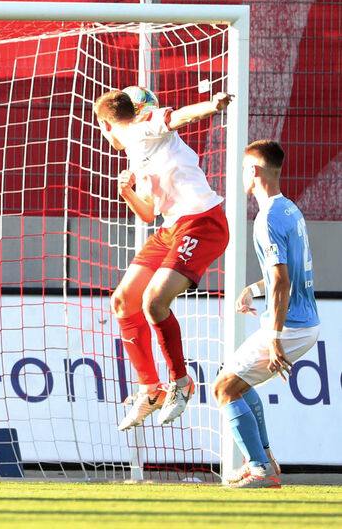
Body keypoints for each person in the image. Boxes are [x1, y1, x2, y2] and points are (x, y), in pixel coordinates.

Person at [93, 89, 234, 430]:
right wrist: (126, 192)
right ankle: (149, 389)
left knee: (154, 302)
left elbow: (178, 116)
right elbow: (147, 213)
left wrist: (212, 106)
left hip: (203, 222)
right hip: (173, 227)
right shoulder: (137, 153)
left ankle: (181, 383)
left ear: (105, 123)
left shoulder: (143, 128)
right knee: (124, 301)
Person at [212, 140, 319, 488]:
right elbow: (282, 276)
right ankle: (265, 461)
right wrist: (252, 289)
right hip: (302, 320)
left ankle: (260, 468)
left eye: (243, 169)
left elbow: (283, 283)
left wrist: (274, 338)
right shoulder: (289, 209)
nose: (240, 175)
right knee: (233, 381)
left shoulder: (267, 218)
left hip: (290, 324)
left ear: (254, 171)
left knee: (224, 388)